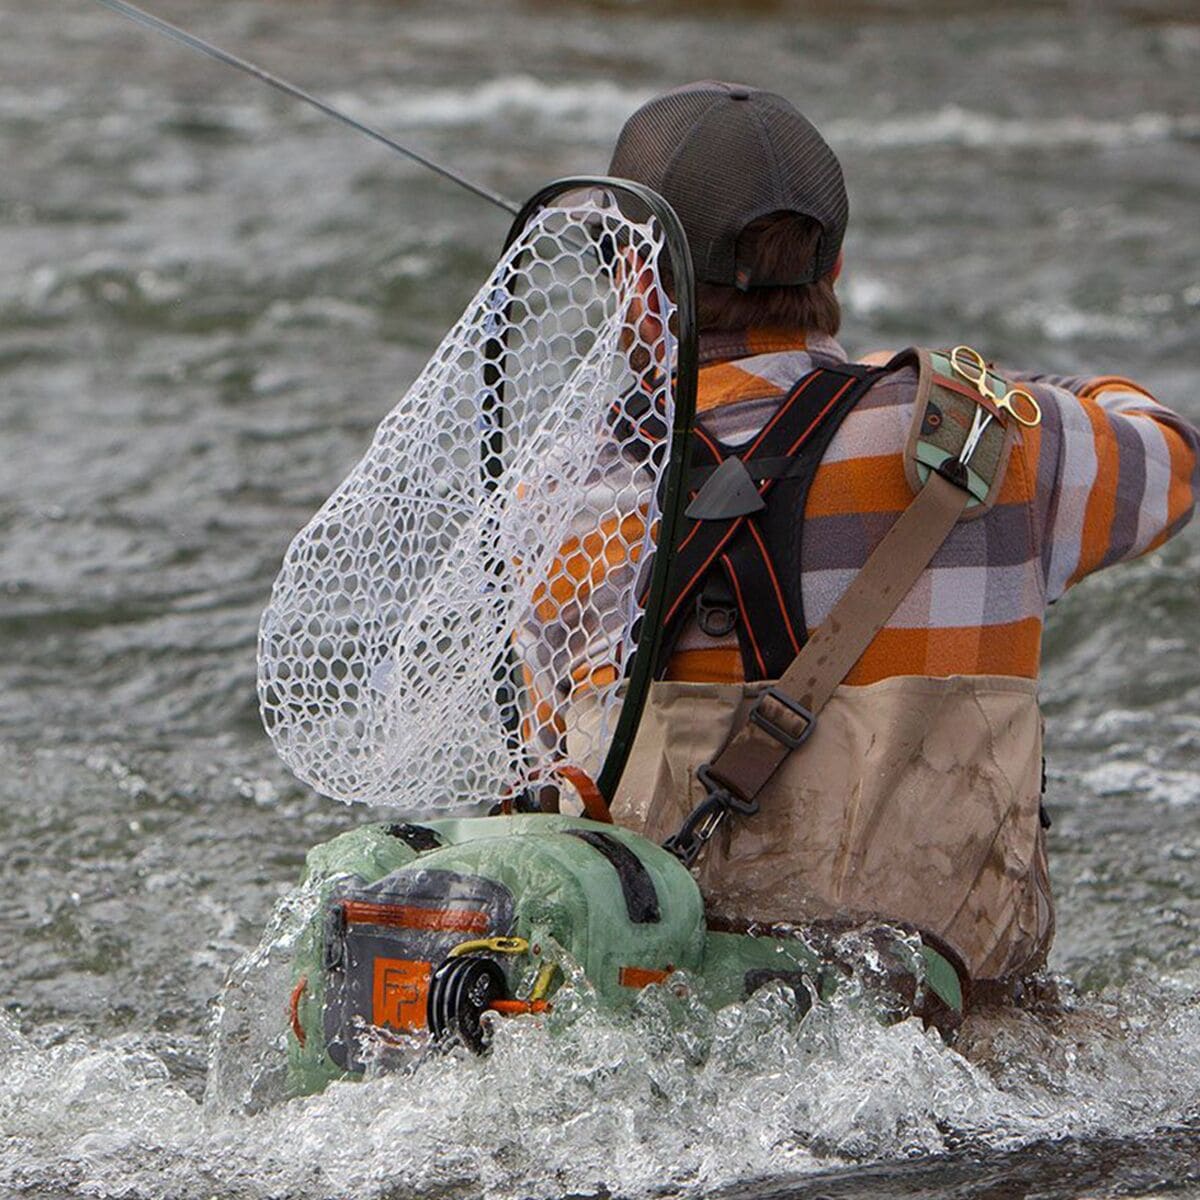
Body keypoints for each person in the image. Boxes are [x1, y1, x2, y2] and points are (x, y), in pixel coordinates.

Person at [571, 81, 1200, 1003]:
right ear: (832, 271)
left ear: (638, 278)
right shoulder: (996, 443)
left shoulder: (570, 493)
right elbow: (1173, 454)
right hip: (945, 1021)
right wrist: (983, 388)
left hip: (669, 1023)